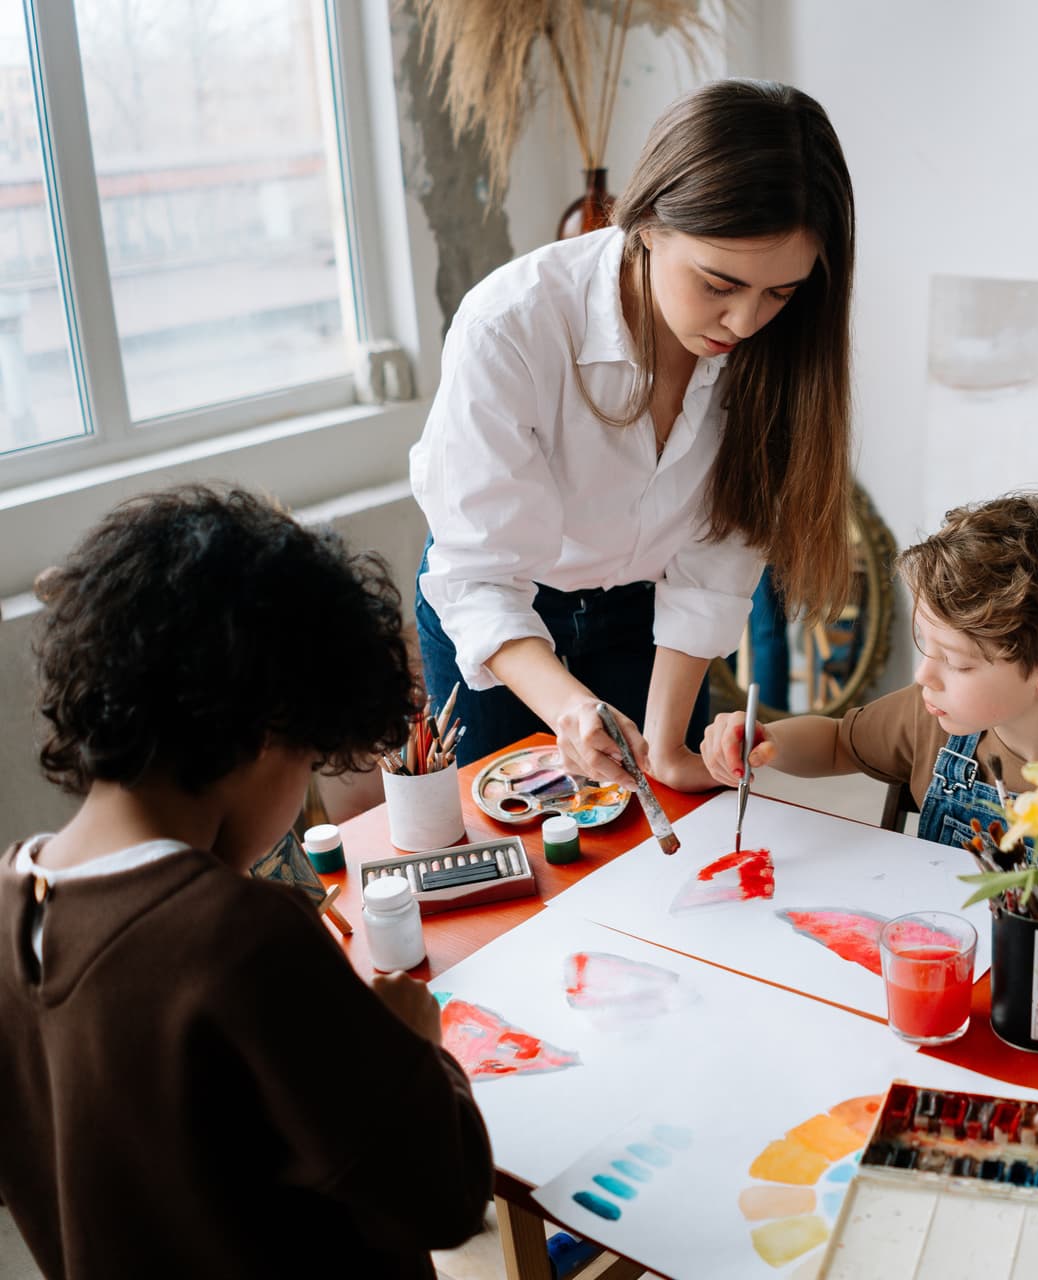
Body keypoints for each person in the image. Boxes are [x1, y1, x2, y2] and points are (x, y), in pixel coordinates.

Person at [0, 485, 492, 1277]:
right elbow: (445, 1193)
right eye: (308, 762)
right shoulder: (236, 937)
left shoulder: (10, 901)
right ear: (270, 734)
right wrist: (412, 1042)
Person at [411, 78, 856, 791]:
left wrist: (671, 747)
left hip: (646, 615)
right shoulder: (512, 326)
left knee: (660, 835)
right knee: (524, 863)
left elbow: (721, 551)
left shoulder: (781, 353)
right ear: (645, 222)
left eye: (779, 293)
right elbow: (481, 578)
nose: (744, 324)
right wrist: (570, 709)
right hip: (506, 618)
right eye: (718, 284)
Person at [701, 488, 1038, 906]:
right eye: (925, 644)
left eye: (958, 662)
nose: (926, 674)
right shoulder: (931, 718)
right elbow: (839, 742)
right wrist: (766, 742)